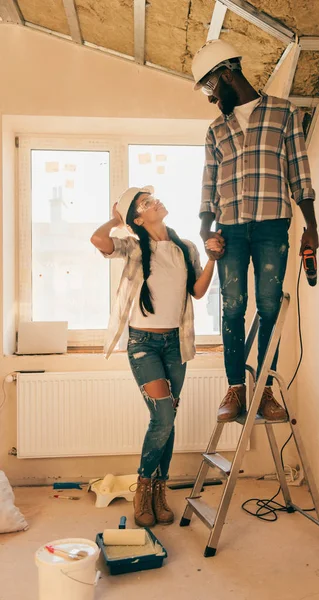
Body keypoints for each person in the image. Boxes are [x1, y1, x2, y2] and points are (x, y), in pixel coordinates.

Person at [192, 39, 319, 423]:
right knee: (232, 309)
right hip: (230, 228)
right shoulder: (216, 131)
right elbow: (208, 186)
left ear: (227, 76)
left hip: (271, 226)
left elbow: (300, 173)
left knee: (267, 308)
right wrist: (204, 231)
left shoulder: (284, 114)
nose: (212, 99)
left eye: (211, 89)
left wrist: (311, 227)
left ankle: (264, 392)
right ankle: (235, 389)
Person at [90, 186, 222, 527]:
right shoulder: (134, 247)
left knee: (167, 418)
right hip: (143, 344)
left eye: (154, 198)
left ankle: (159, 492)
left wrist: (211, 259)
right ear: (138, 217)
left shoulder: (185, 247)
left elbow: (197, 290)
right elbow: (98, 241)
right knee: (163, 414)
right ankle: (144, 488)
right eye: (146, 203)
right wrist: (116, 219)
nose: (155, 202)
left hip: (175, 343)